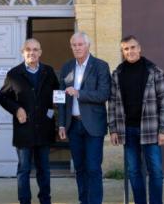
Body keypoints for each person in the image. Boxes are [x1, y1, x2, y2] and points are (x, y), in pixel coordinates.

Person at [108, 35, 164, 204]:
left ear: (139, 48)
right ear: (122, 51)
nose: (130, 51)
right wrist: (113, 129)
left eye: (133, 47)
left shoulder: (155, 71)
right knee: (134, 171)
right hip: (128, 130)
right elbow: (112, 103)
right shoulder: (117, 73)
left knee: (155, 171)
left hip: (151, 129)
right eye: (126, 49)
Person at [0, 38, 60, 204]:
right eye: (28, 49)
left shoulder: (48, 71)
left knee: (44, 170)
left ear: (40, 52)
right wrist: (17, 108)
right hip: (24, 129)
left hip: (44, 128)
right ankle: (24, 201)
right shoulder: (14, 74)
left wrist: (55, 108)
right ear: (22, 52)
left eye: (35, 49)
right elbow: (2, 97)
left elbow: (57, 94)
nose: (31, 52)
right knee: (24, 169)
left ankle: (45, 200)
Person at [57, 31, 111, 204]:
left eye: (80, 44)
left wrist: (79, 93)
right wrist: (61, 124)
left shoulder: (100, 66)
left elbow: (103, 94)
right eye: (74, 45)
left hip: (93, 125)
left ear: (88, 46)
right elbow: (61, 98)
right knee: (79, 169)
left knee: (93, 168)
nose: (77, 48)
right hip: (73, 126)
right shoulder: (66, 67)